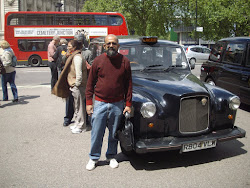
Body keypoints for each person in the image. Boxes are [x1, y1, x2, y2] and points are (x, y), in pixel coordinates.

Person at [85, 34, 132, 171]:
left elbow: (128, 85)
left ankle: (111, 156)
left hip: (118, 104)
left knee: (113, 134)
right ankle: (94, 158)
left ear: (118, 46)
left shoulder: (125, 62)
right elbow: (90, 84)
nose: (111, 46)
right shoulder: (98, 61)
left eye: (114, 43)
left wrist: (128, 104)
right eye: (108, 44)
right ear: (104, 46)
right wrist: (89, 102)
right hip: (100, 103)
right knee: (96, 133)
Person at [52, 39, 87, 134]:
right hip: (74, 85)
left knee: (79, 107)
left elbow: (79, 73)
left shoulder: (77, 57)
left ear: (74, 47)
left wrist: (77, 84)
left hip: (77, 86)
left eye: (69, 46)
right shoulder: (73, 56)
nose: (67, 48)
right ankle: (77, 123)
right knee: (76, 106)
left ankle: (81, 126)